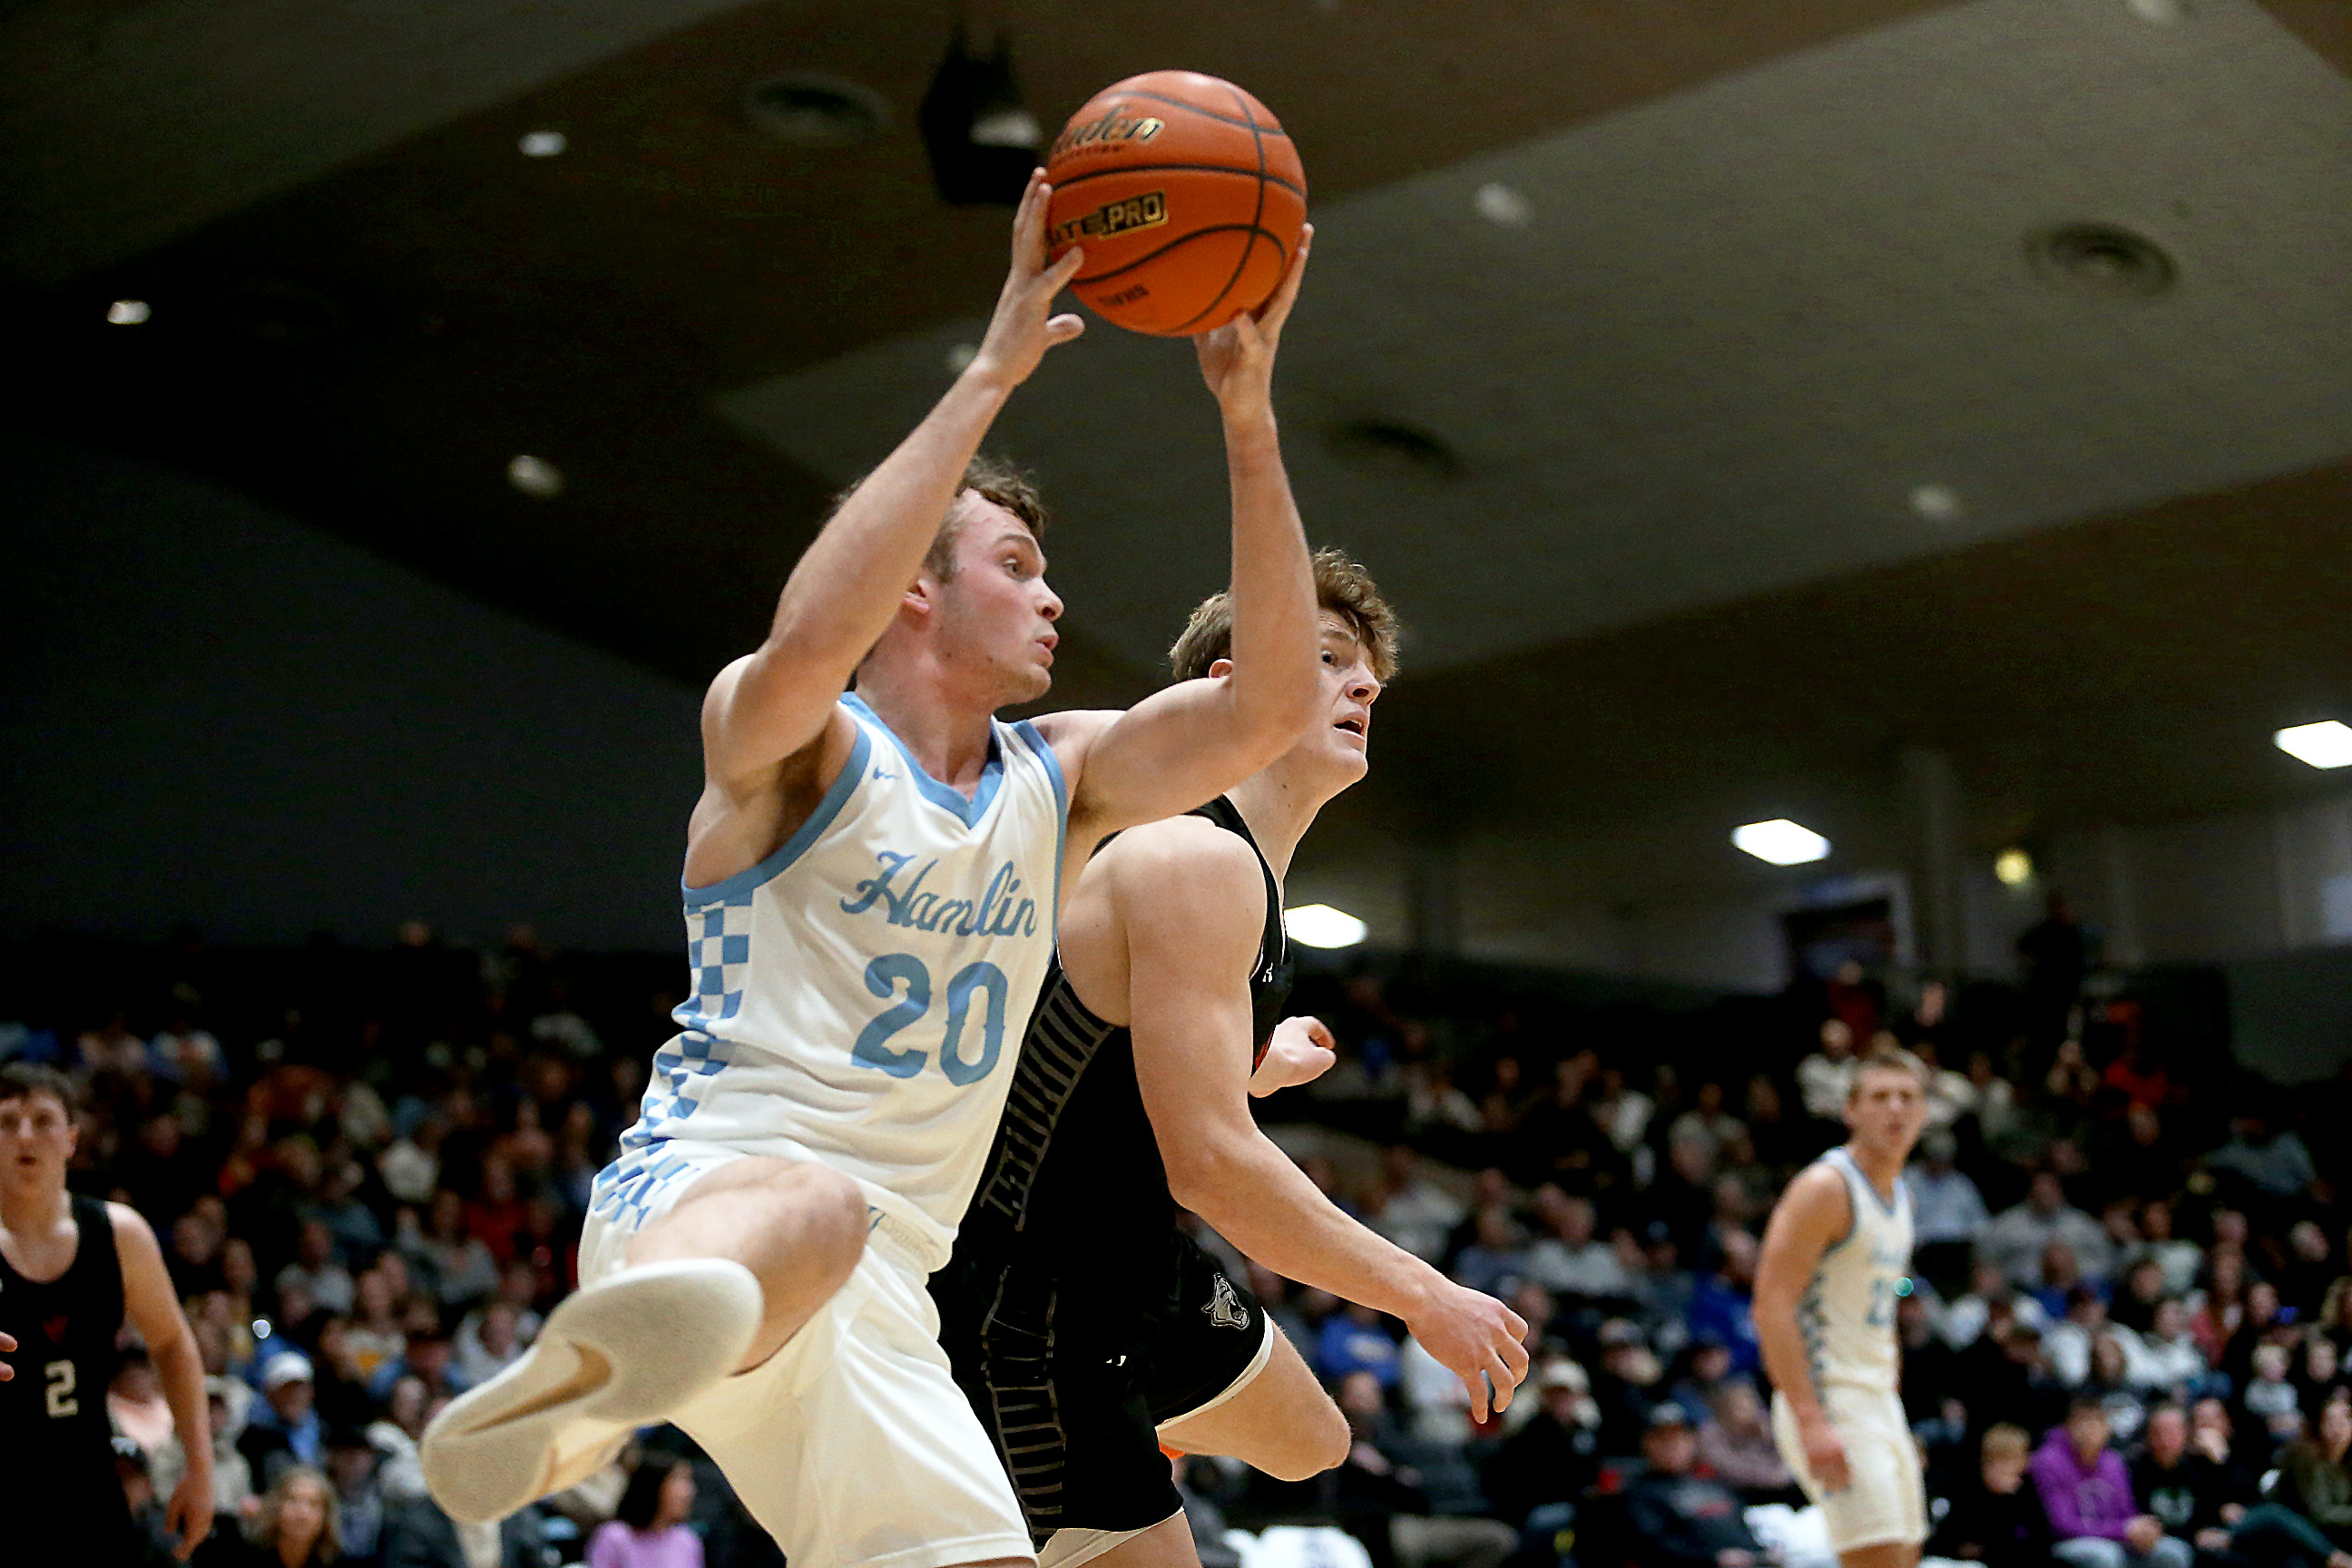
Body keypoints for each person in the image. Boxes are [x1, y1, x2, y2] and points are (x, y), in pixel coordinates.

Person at [417, 166, 1326, 1568]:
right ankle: (590, 1394)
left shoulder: (1060, 779)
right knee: (818, 1203)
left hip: (888, 1305)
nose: (1052, 596)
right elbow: (800, 649)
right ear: (918, 586)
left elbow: (1263, 709)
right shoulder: (795, 753)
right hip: (715, 1203)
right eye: (1016, 564)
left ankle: (613, 1390)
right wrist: (992, 373)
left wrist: (1249, 420)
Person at [932, 554, 1527, 1568]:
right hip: (1031, 1309)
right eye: (1329, 659)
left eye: (1369, 666)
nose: (1367, 683)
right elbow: (1210, 1165)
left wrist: (1250, 1061)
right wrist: (1429, 1295)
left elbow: (1101, 1049)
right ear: (1226, 689)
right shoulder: (1191, 857)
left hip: (1135, 1270)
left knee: (1311, 1441)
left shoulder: (1237, 875)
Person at [0, 1062, 215, 1562]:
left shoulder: (120, 1234)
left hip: (88, 1483)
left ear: (72, 1138)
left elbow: (172, 1344)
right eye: (7, 1121)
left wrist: (200, 1469)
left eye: (43, 1120)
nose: (25, 1135)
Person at [1753, 1044, 1932, 1568]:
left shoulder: (1902, 1194)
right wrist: (1809, 1417)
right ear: (1851, 1110)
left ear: (1924, 1112)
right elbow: (1771, 1305)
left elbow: (1879, 1298)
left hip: (1878, 1399)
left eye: (1907, 1097)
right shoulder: (1825, 1188)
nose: (1895, 1108)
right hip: (1831, 1397)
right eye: (1880, 1097)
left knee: (1906, 1556)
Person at [2029, 1397, 2191, 1568]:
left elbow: (2127, 1513)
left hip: (2114, 1539)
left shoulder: (2113, 1461)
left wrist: (2142, 1529)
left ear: (2107, 1429)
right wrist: (2122, 1531)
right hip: (2066, 1542)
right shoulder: (2048, 1461)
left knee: (2173, 1552)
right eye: (2082, 1423)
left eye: (2096, 1423)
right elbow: (2062, 1525)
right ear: (2068, 1427)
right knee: (2106, 1556)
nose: (2089, 1431)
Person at [1624, 1405, 1771, 1568]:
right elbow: (1654, 1547)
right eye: (1663, 1439)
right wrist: (1712, 1558)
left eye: (1680, 1437)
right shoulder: (1642, 1492)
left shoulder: (1711, 1479)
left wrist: (1762, 1551)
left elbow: (1744, 1522)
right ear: (1647, 1444)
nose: (1673, 1446)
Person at [1929, 1424, 2053, 1568]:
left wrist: (2008, 1499)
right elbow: (1950, 1541)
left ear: (2024, 1462)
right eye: (1994, 1460)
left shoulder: (2027, 1493)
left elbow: (2039, 1543)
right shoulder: (1966, 1488)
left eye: (2010, 1459)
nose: (2001, 1467)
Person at [586, 1456, 702, 1568]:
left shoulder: (687, 1541)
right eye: (678, 1480)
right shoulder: (615, 1537)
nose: (689, 1492)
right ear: (654, 1486)